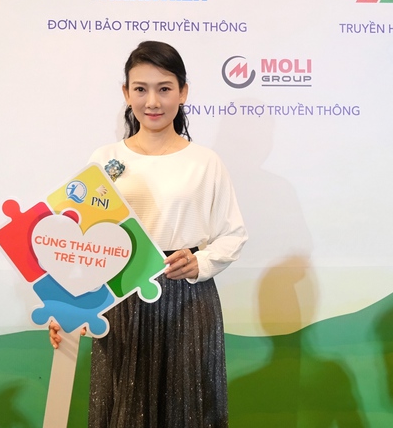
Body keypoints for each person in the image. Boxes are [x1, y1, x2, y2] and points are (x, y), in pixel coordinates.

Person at [49, 40, 248, 427]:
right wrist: (67, 307)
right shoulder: (105, 159)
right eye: (140, 89)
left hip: (186, 299)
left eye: (164, 88)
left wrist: (200, 263)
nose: (152, 101)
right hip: (121, 298)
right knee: (122, 410)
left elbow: (233, 233)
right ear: (126, 93)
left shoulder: (205, 162)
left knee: (188, 411)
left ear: (183, 92)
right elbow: (81, 242)